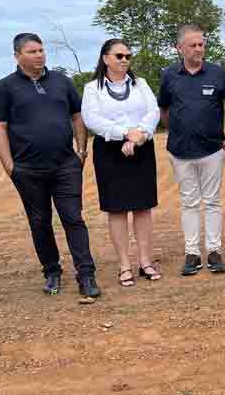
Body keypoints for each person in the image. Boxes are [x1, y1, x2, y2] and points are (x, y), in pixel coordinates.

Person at [0, 33, 101, 298]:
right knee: (40, 222)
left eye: (41, 50)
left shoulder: (62, 82)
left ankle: (86, 275)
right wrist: (9, 165)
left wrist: (81, 151)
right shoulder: (4, 88)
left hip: (65, 165)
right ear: (17, 56)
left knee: (73, 219)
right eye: (32, 51)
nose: (39, 55)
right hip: (27, 169)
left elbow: (77, 116)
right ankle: (52, 272)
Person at [158, 24, 225, 277]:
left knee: (213, 202)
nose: (198, 49)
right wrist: (176, 132)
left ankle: (214, 251)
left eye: (201, 44)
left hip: (212, 151)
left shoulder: (217, 73)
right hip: (180, 152)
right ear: (179, 47)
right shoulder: (169, 75)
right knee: (189, 203)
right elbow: (163, 109)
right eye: (192, 45)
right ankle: (192, 254)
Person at [82, 39, 161, 287]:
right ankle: (125, 265)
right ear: (105, 59)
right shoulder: (92, 88)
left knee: (143, 207)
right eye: (119, 56)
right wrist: (125, 133)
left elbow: (153, 112)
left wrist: (139, 136)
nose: (125, 59)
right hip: (109, 152)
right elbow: (92, 119)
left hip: (141, 148)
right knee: (116, 209)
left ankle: (145, 262)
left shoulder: (141, 84)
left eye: (128, 55)